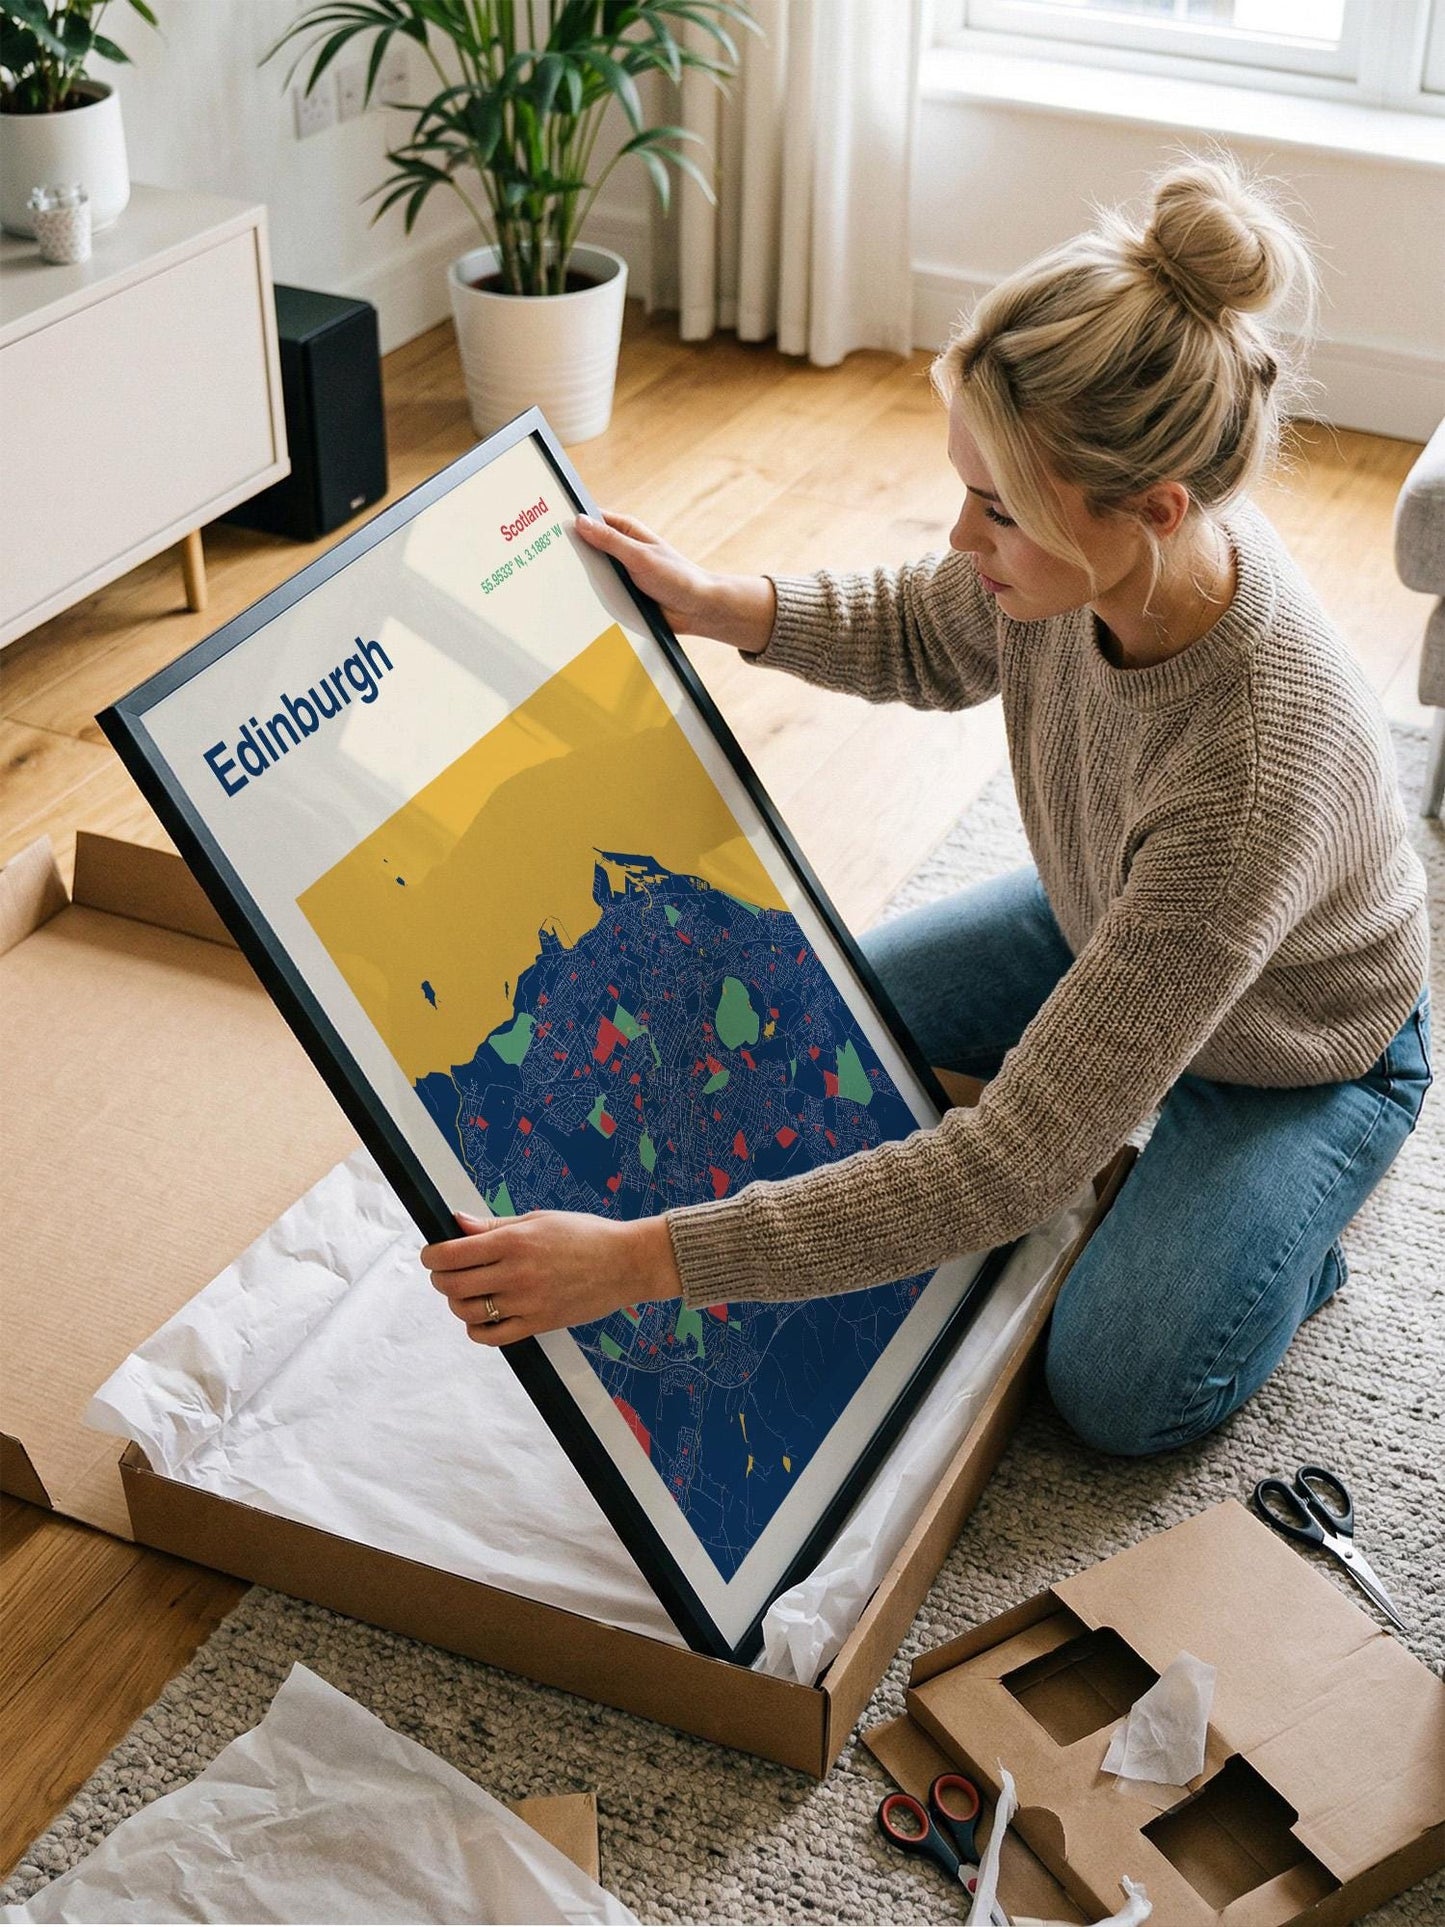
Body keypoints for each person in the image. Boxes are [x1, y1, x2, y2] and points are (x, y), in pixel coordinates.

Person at [423, 157, 1430, 1457]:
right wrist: (719, 601)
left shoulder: (1243, 780)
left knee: (1122, 1383)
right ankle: (1157, 1131)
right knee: (799, 1037)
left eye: (996, 510)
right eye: (965, 486)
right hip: (1100, 915)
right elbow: (923, 624)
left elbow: (1011, 1165)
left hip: (1300, 1045)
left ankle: (1280, 1246)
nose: (961, 537)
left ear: (1153, 512)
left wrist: (635, 1263)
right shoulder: (1092, 564)